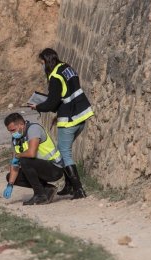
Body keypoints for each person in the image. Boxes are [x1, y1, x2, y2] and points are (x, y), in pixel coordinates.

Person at [30, 48, 94, 199]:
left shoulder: (55, 77)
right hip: (81, 115)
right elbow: (67, 95)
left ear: (46, 61)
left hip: (69, 120)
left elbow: (52, 102)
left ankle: (78, 189)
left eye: (42, 62)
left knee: (64, 154)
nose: (42, 66)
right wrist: (58, 112)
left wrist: (37, 106)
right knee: (62, 150)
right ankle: (69, 185)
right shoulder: (66, 68)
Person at [2, 113, 63, 205]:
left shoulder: (33, 129)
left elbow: (31, 153)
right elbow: (15, 165)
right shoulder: (15, 140)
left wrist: (18, 156)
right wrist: (10, 185)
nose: (12, 133)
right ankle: (47, 189)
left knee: (24, 160)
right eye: (10, 131)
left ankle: (39, 195)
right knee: (11, 177)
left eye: (13, 130)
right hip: (40, 168)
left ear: (21, 125)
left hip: (54, 168)